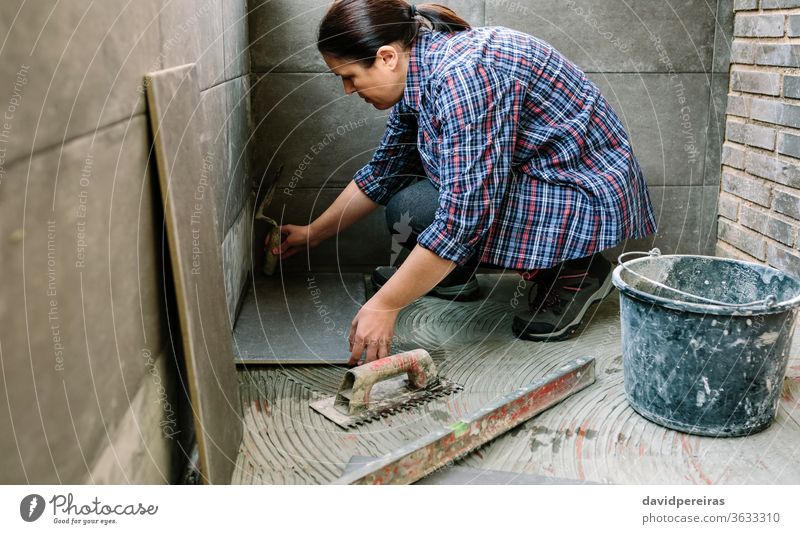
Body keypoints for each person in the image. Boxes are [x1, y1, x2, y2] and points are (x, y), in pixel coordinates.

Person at [271, 0, 657, 366]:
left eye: (350, 77)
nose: (348, 90)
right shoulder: (418, 73)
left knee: (447, 216)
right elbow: (384, 171)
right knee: (409, 206)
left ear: (386, 57)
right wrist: (312, 234)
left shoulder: (463, 77)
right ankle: (456, 270)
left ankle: (577, 271)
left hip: (579, 192)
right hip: (536, 182)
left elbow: (464, 217)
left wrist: (386, 305)